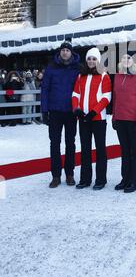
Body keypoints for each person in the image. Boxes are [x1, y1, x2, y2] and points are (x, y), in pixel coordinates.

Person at [41, 40, 80, 188]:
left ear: (71, 52)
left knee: (71, 143)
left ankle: (69, 174)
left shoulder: (77, 68)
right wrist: (44, 111)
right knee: (54, 143)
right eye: (63, 50)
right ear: (60, 52)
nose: (65, 52)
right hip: (55, 111)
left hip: (71, 112)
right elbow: (44, 89)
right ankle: (56, 175)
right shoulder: (51, 67)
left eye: (67, 50)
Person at [72, 47, 111, 190]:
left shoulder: (104, 76)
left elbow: (107, 97)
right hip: (83, 118)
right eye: (89, 58)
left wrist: (94, 112)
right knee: (85, 149)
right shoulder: (80, 76)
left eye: (94, 59)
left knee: (100, 149)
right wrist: (76, 109)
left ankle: (101, 179)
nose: (91, 61)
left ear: (98, 61)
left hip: (98, 118)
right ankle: (85, 179)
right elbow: (75, 94)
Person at [112, 51, 136, 193]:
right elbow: (116, 98)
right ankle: (125, 178)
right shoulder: (118, 75)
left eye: (129, 58)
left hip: (133, 120)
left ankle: (135, 180)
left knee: (135, 151)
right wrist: (114, 117)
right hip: (120, 119)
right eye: (124, 57)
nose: (126, 60)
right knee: (124, 150)